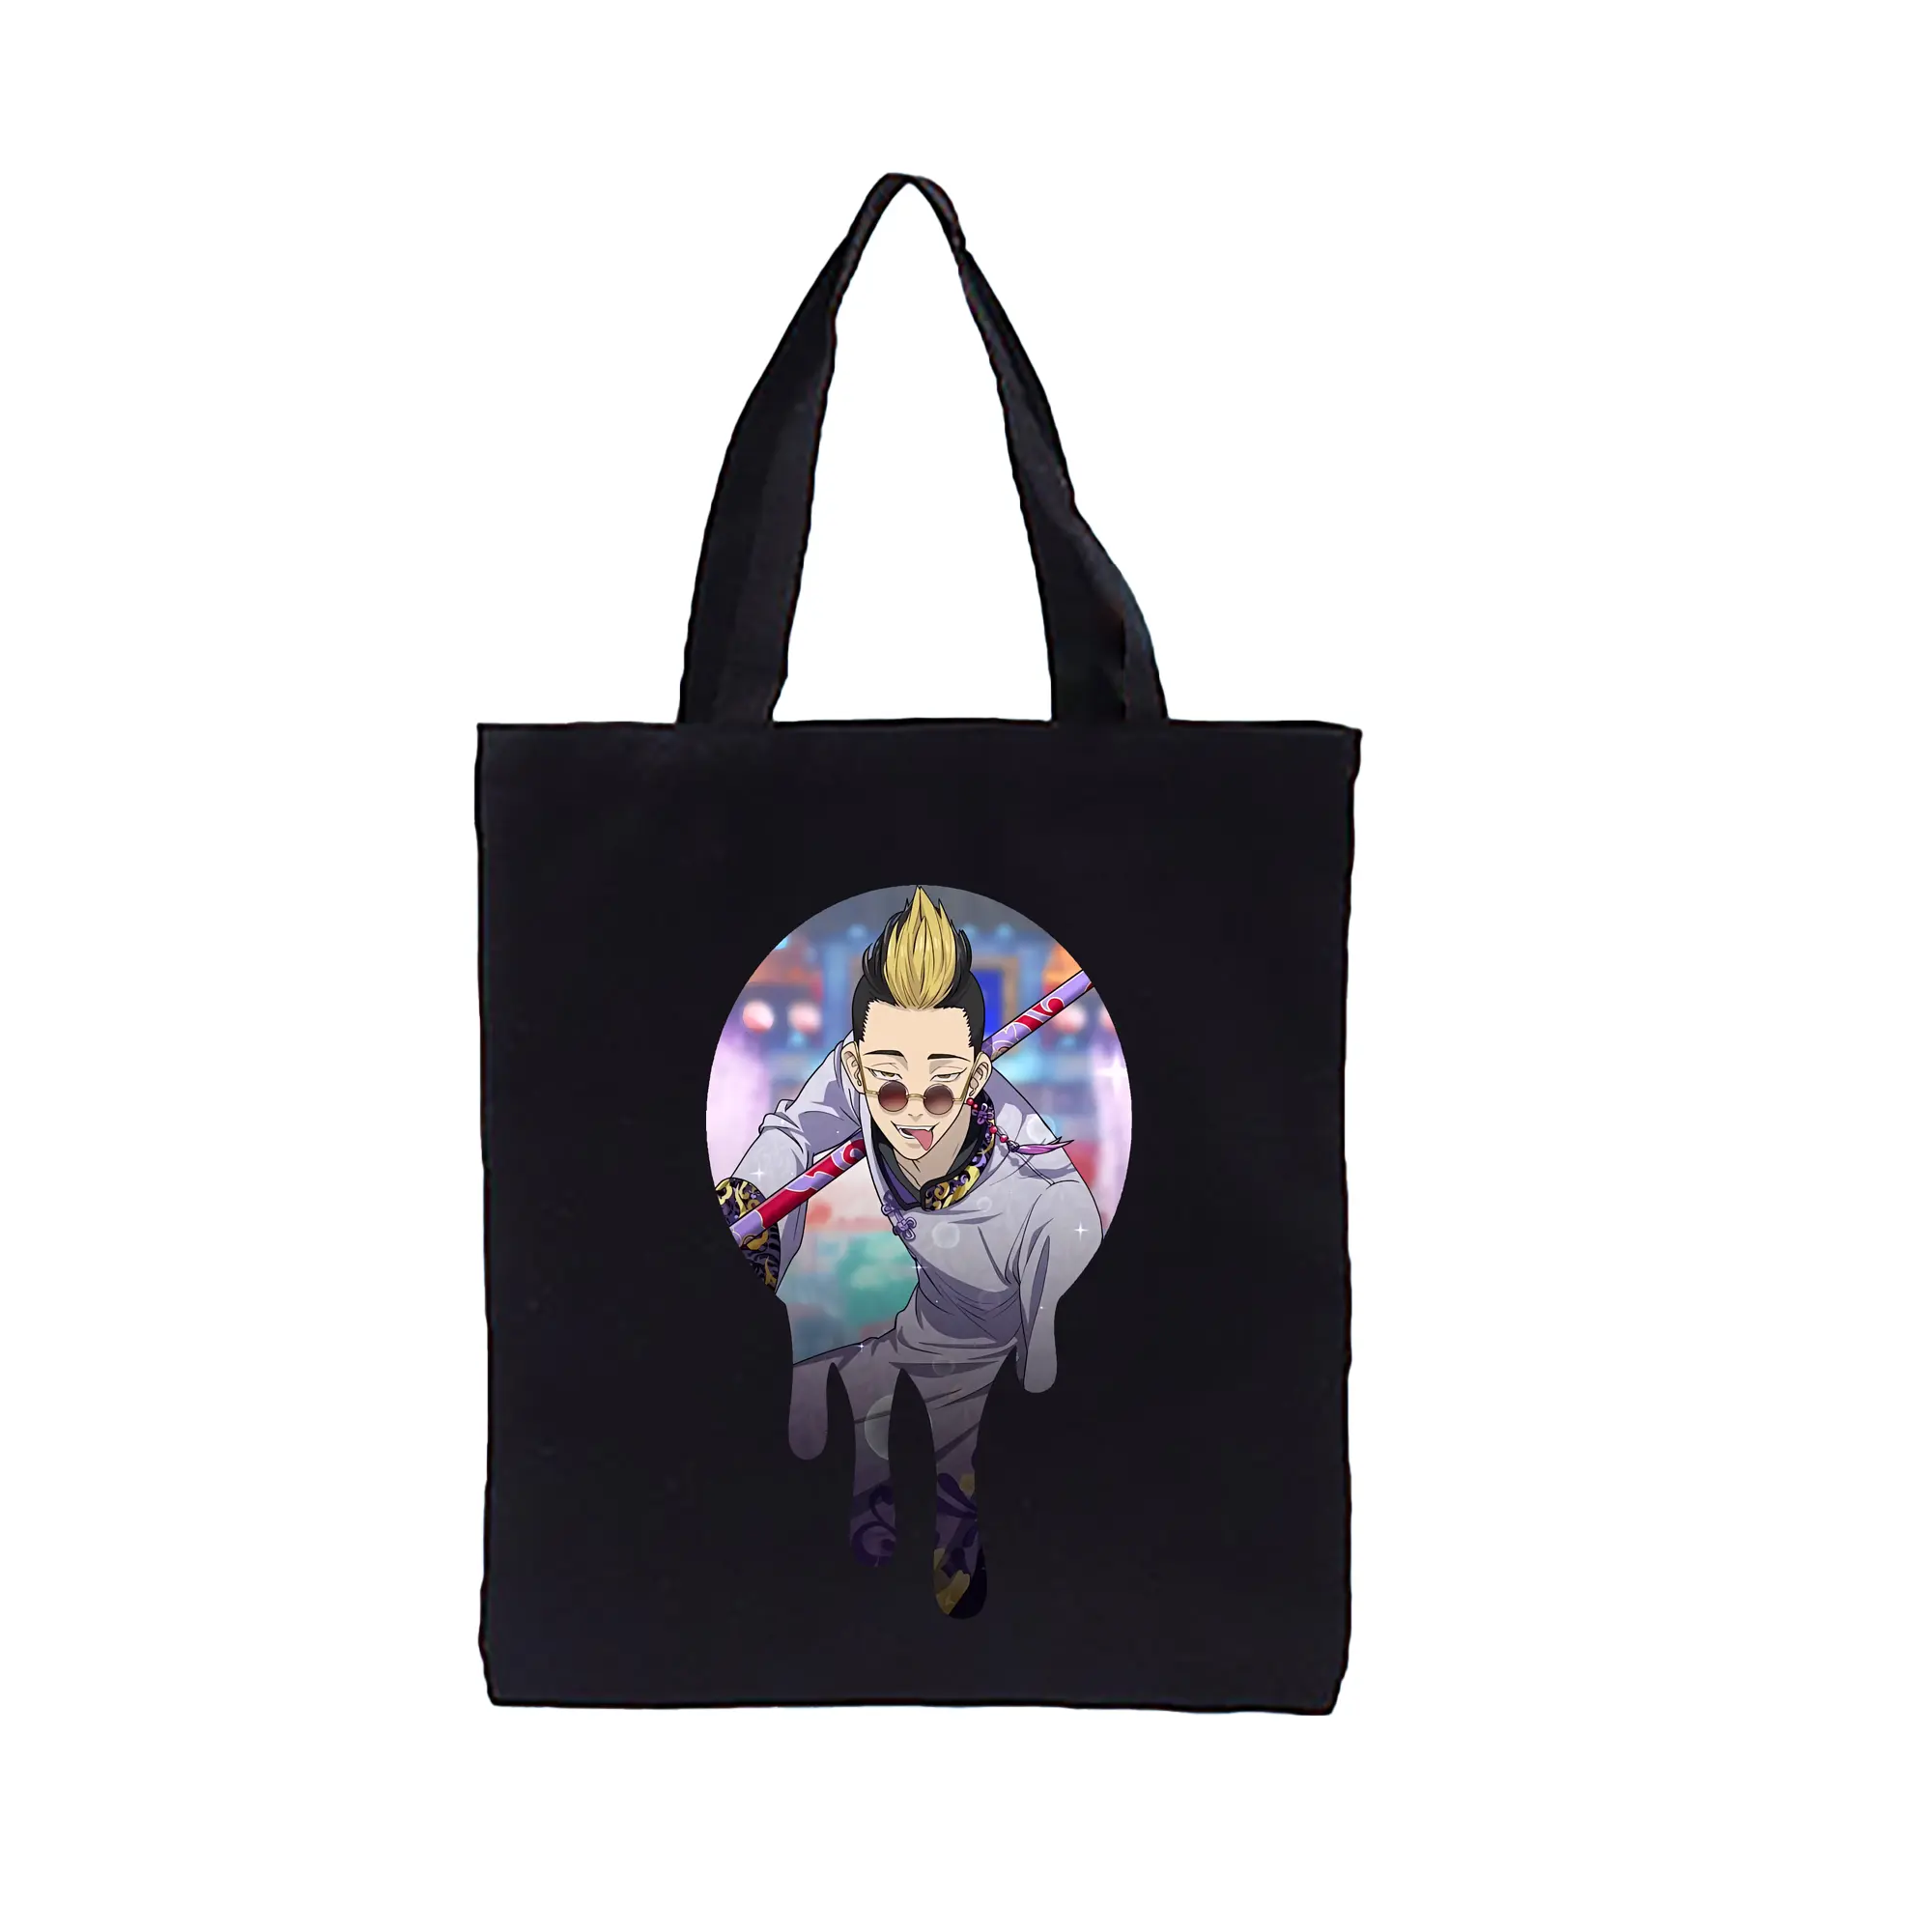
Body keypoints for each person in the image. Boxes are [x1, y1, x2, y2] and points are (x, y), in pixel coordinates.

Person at [716, 888, 1103, 1616]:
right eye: (890, 1089)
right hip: (926, 1320)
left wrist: (1037, 1361)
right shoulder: (857, 1074)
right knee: (857, 1392)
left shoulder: (1042, 1198)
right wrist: (753, 1199)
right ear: (858, 1067)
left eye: (941, 1091)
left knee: (963, 1447)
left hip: (1000, 1347)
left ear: (978, 1075)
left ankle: (956, 1526)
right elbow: (794, 1133)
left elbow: (1055, 1347)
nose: (915, 1116)